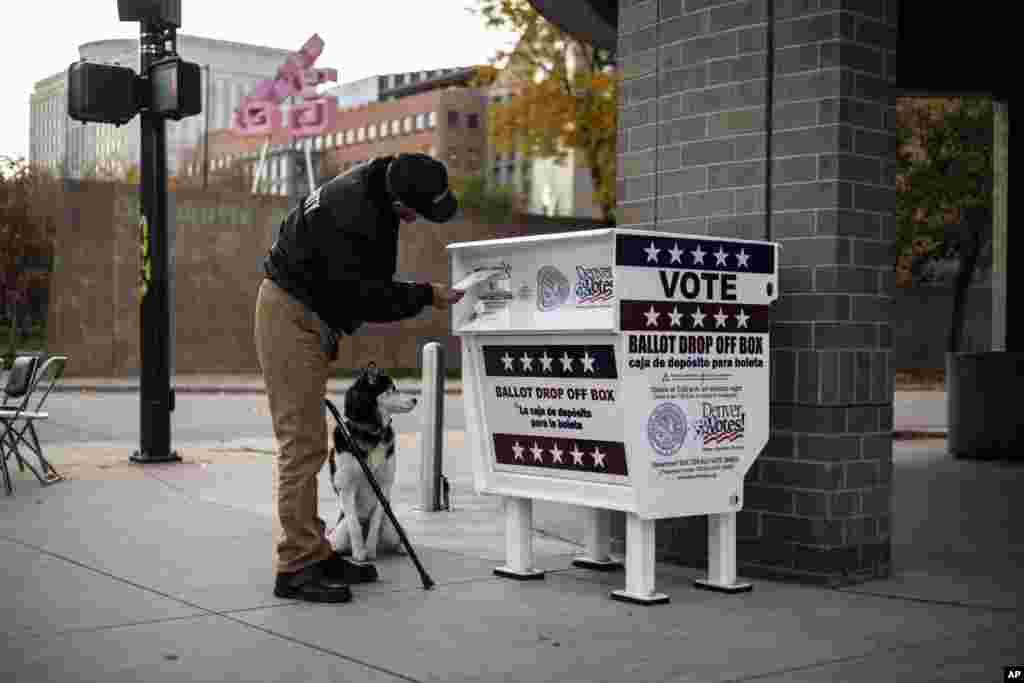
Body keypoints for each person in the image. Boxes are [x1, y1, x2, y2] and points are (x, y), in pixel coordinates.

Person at [254, 152, 465, 603]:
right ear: (399, 200)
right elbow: (369, 296)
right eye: (417, 211)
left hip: (306, 314)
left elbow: (365, 281)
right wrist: (428, 295)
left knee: (307, 442)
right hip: (291, 318)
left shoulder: (376, 185)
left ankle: (316, 550)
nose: (415, 220)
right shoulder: (356, 214)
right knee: (302, 445)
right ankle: (295, 566)